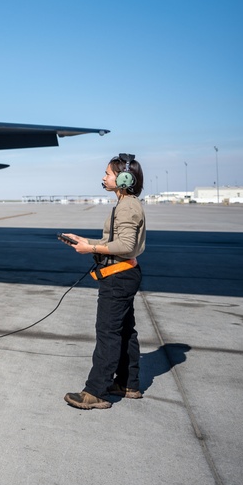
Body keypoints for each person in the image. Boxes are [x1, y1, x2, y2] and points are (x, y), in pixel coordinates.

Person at [61, 153, 146, 410]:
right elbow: (118, 242)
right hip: (123, 274)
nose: (103, 177)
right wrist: (87, 243)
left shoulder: (128, 206)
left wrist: (90, 249)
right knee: (124, 332)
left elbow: (126, 245)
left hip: (118, 277)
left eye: (108, 173)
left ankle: (96, 391)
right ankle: (127, 383)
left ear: (123, 178)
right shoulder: (126, 204)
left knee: (108, 333)